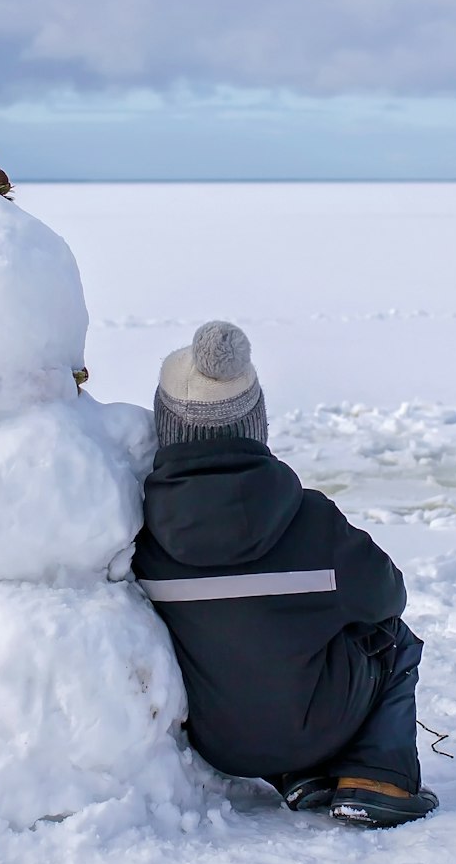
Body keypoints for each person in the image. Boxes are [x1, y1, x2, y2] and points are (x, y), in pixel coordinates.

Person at [132, 320, 438, 827]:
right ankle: (379, 777)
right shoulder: (310, 520)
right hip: (321, 721)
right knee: (393, 640)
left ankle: (305, 775)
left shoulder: (142, 536)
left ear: (169, 427)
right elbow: (388, 595)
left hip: (219, 743)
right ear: (255, 423)